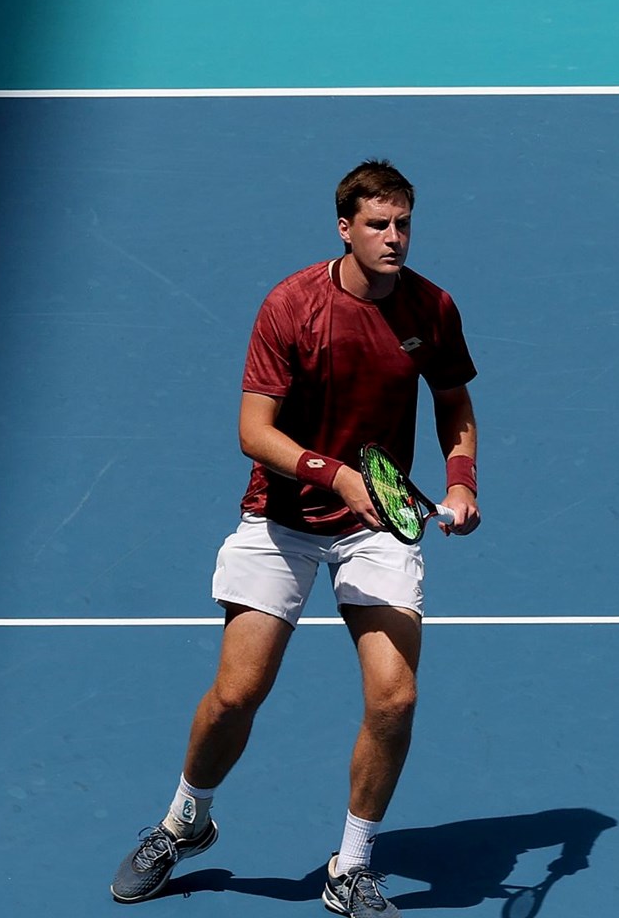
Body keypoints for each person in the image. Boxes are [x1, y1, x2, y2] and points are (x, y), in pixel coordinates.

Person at [112, 160, 481, 917]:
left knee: (394, 697)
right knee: (237, 694)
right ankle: (185, 822)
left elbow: (455, 404)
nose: (394, 238)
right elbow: (254, 431)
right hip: (283, 520)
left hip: (379, 521)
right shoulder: (291, 305)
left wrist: (462, 479)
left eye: (403, 223)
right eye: (378, 225)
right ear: (344, 228)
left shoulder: (431, 309)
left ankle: (351, 868)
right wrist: (335, 474)